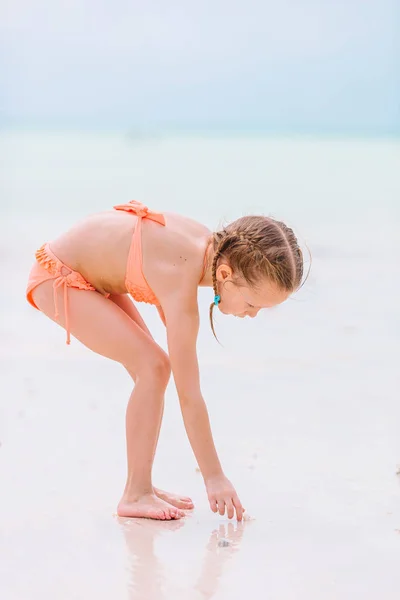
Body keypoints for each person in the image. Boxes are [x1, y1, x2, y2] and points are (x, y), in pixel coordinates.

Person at [26, 199, 305, 521]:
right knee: (153, 368)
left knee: (153, 369)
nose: (252, 315)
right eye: (252, 303)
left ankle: (141, 486)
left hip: (92, 276)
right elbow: (190, 396)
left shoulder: (206, 247)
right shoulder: (180, 272)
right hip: (59, 276)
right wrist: (215, 477)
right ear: (226, 273)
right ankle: (136, 494)